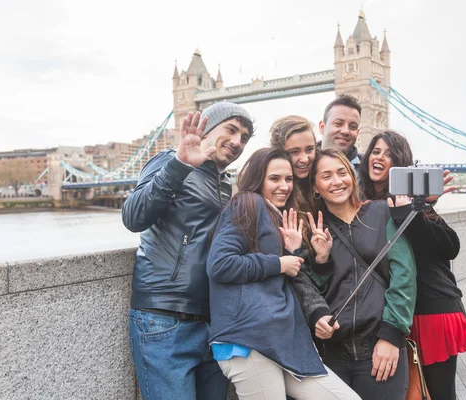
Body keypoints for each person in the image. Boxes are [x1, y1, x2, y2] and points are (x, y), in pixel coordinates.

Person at [122, 102, 254, 400]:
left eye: (245, 137)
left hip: (211, 325)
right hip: (165, 320)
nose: (237, 142)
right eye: (231, 130)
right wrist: (180, 165)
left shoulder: (224, 184)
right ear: (207, 128)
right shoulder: (171, 161)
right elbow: (133, 217)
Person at [207, 147, 360, 400]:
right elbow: (220, 264)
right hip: (249, 341)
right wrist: (279, 263)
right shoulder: (246, 202)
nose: (284, 186)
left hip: (281, 341)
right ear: (258, 179)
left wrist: (304, 255)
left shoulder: (277, 216)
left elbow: (292, 280)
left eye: (288, 179)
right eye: (274, 179)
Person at [359, 130, 466, 400]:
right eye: (376, 151)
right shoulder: (362, 202)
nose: (380, 157)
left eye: (390, 154)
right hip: (398, 314)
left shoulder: (411, 200)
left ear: (400, 164)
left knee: (439, 395)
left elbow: (450, 246)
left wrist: (415, 210)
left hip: (432, 310)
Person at [292, 148, 417, 400]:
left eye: (342, 173)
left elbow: (404, 275)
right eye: (326, 176)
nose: (336, 181)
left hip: (379, 348)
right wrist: (321, 260)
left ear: (352, 176)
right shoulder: (312, 228)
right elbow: (311, 290)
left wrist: (391, 336)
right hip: (332, 354)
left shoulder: (382, 212)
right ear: (315, 187)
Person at [319, 94, 362, 172]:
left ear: (357, 132)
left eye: (352, 127)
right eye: (338, 123)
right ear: (322, 127)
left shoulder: (368, 170)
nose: (345, 131)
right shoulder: (304, 167)